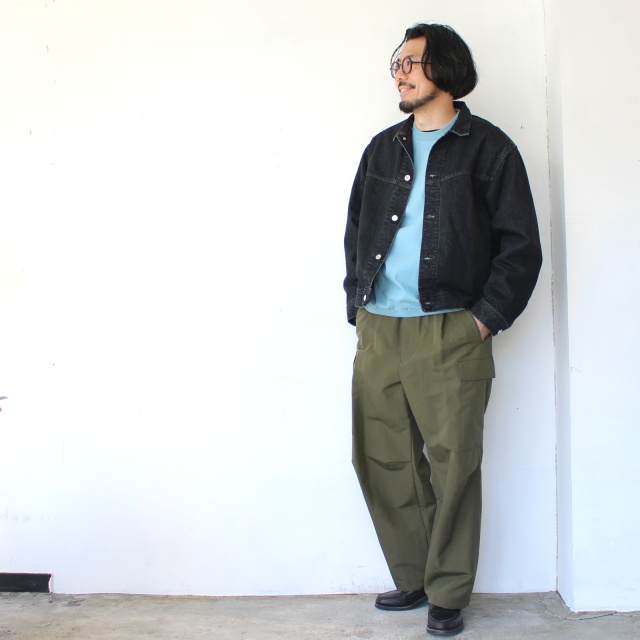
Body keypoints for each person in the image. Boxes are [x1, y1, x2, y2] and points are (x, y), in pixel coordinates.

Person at [343, 23, 542, 637]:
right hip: (381, 329)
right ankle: (415, 576)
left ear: (446, 69)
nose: (399, 73)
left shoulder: (490, 149)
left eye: (412, 62)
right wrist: (358, 308)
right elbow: (356, 231)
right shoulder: (382, 149)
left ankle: (449, 591)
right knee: (384, 459)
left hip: (450, 329)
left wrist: (483, 320)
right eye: (397, 63)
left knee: (455, 465)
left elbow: (521, 246)